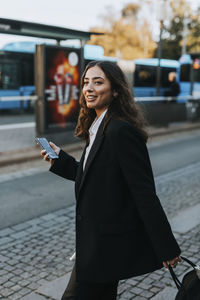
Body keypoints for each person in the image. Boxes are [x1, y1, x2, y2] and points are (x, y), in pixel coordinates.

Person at [40, 61, 181, 300]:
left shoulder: (120, 131)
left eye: (98, 82)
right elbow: (95, 176)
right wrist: (60, 161)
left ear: (115, 90)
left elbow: (143, 192)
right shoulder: (98, 126)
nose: (89, 88)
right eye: (86, 82)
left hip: (104, 247)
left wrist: (166, 247)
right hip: (96, 246)